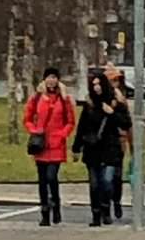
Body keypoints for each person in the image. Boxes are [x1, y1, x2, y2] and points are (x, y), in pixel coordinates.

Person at [73, 73, 130, 227]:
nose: (96, 87)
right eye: (94, 84)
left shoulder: (115, 103)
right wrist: (76, 148)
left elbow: (126, 123)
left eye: (99, 84)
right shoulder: (90, 105)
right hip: (92, 149)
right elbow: (82, 127)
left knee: (107, 181)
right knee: (94, 184)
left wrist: (112, 114)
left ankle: (106, 208)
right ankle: (96, 214)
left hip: (110, 148)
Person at [23, 66, 76, 227]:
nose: (51, 80)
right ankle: (44, 210)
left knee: (52, 177)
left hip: (56, 144)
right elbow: (27, 118)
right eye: (49, 77)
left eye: (54, 77)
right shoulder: (37, 97)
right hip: (41, 144)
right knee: (42, 180)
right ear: (44, 79)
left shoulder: (64, 99)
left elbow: (70, 121)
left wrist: (62, 134)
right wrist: (34, 130)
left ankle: (56, 204)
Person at [104, 65, 133, 219]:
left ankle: (116, 201)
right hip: (102, 143)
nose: (114, 84)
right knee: (105, 177)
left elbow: (128, 124)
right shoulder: (97, 98)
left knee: (116, 176)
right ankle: (105, 205)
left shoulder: (121, 100)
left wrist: (132, 145)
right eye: (111, 80)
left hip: (118, 142)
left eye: (116, 80)